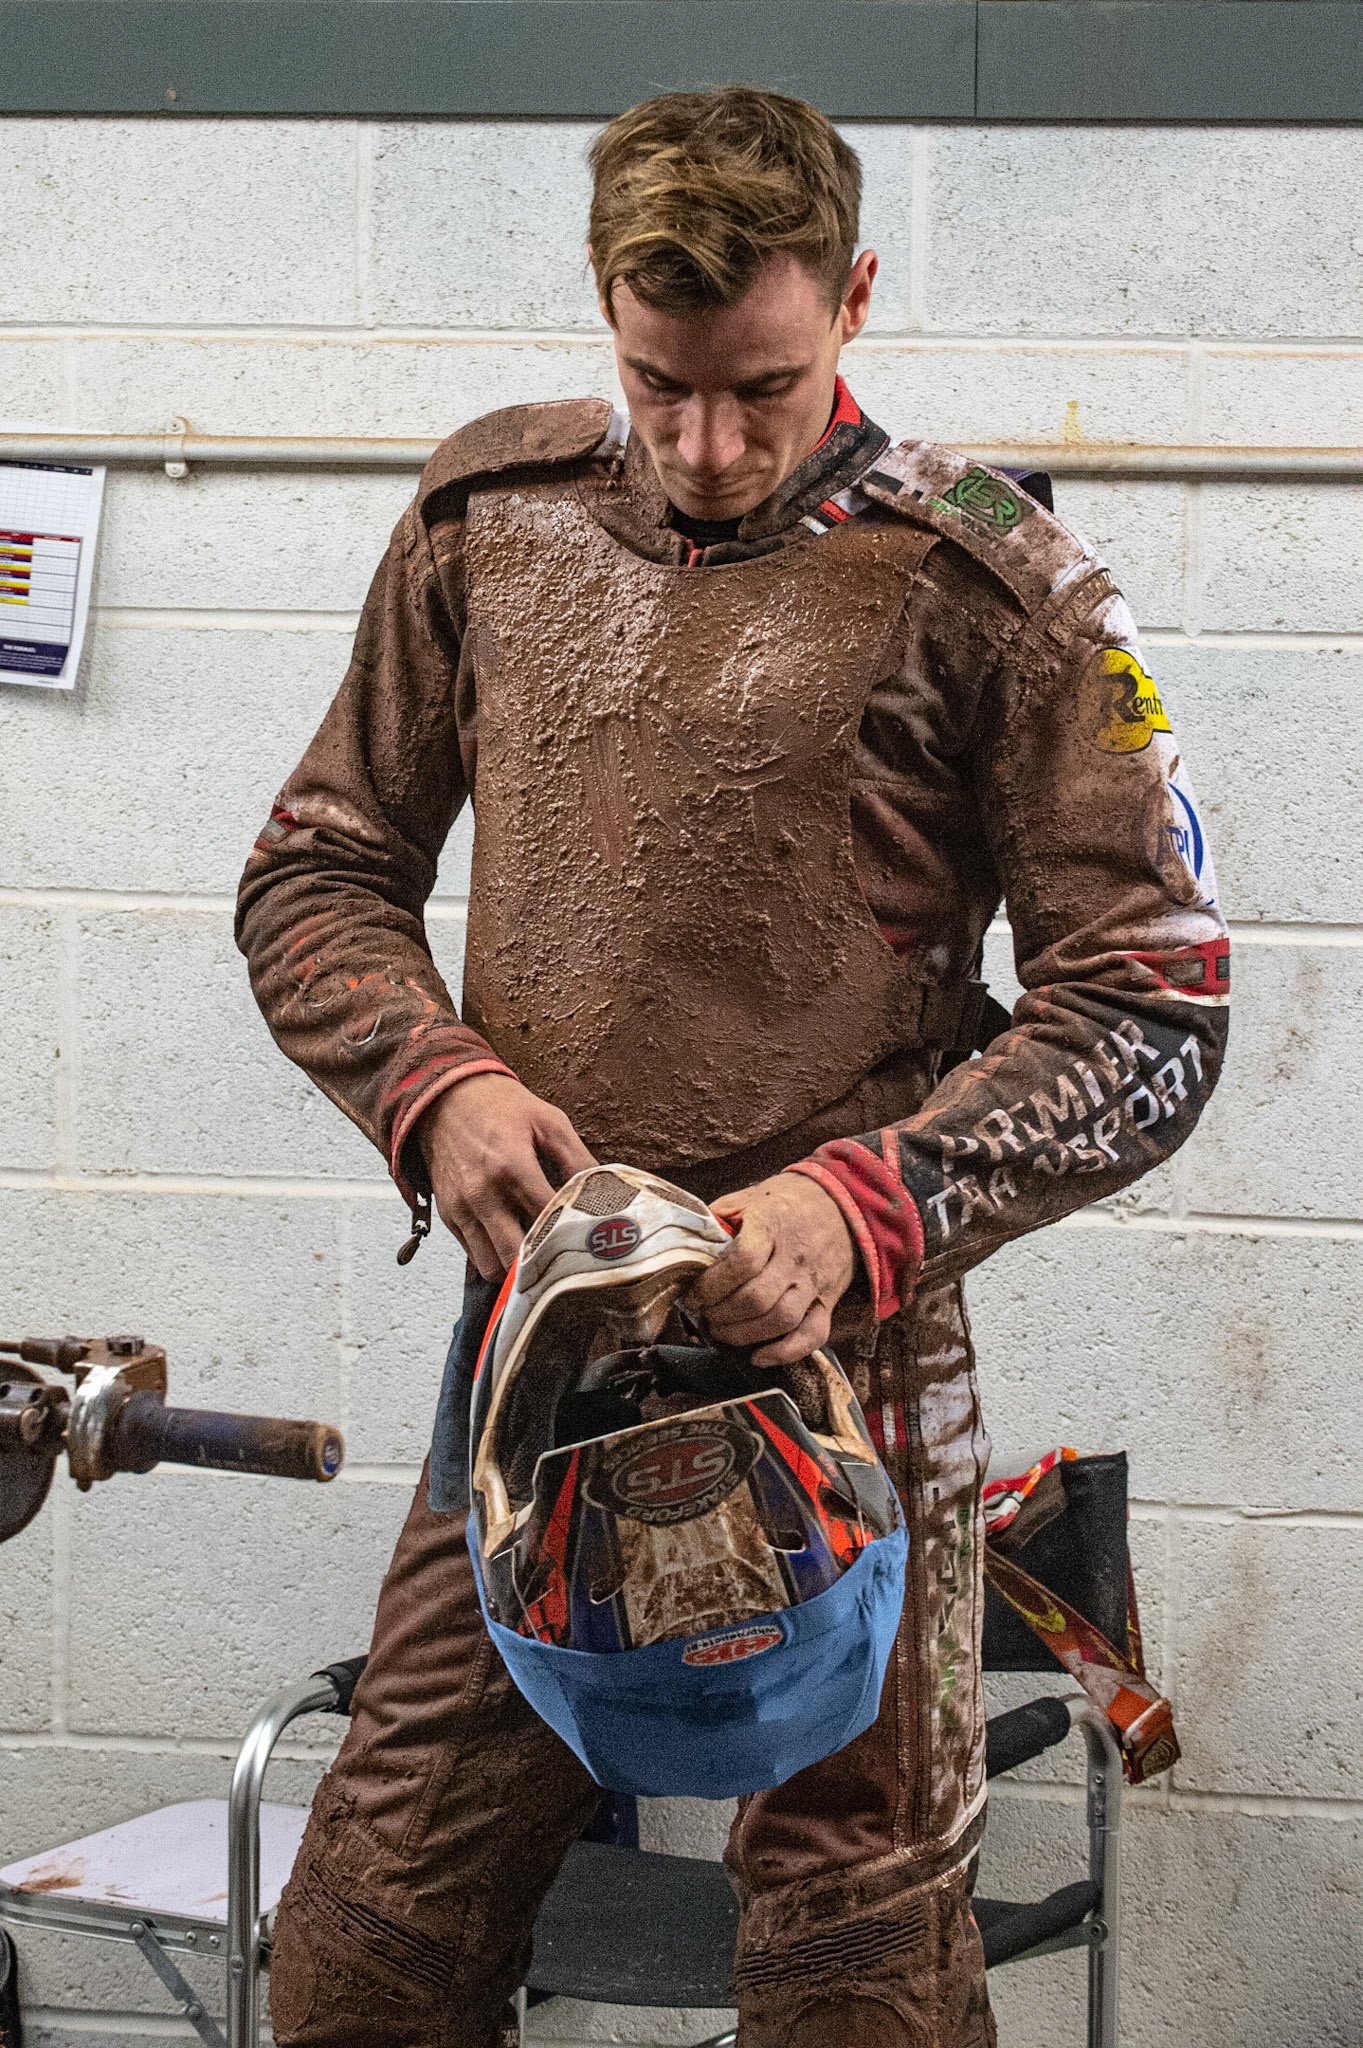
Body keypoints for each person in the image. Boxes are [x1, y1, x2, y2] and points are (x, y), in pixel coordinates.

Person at [236, 86, 1228, 2048]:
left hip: (847, 1372)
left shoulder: (1015, 587)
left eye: (760, 389)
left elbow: (1160, 1000)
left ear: (854, 299)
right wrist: (429, 1085)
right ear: (602, 305)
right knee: (363, 1947)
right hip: (535, 1366)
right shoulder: (481, 526)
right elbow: (313, 876)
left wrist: (871, 1206)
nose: (704, 446)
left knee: (859, 1979)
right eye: (658, 382)